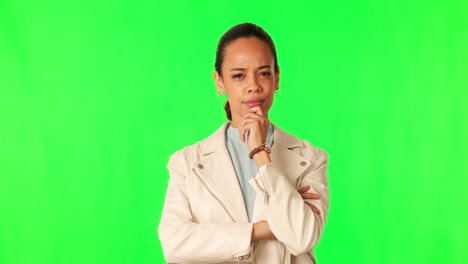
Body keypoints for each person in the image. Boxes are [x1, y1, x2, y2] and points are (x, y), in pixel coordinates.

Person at [158, 23, 329, 264]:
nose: (253, 85)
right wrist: (258, 230)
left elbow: (301, 237)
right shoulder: (186, 163)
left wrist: (261, 154)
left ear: (277, 78)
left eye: (264, 73)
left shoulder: (310, 158)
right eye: (239, 75)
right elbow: (174, 243)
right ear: (219, 82)